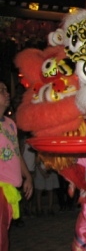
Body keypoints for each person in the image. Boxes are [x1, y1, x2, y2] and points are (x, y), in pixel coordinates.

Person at [0, 80, 33, 250]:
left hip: (9, 190)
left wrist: (27, 176)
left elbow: (16, 153)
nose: (7, 94)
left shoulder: (10, 123)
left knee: (4, 231)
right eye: (2, 91)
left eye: (6, 90)